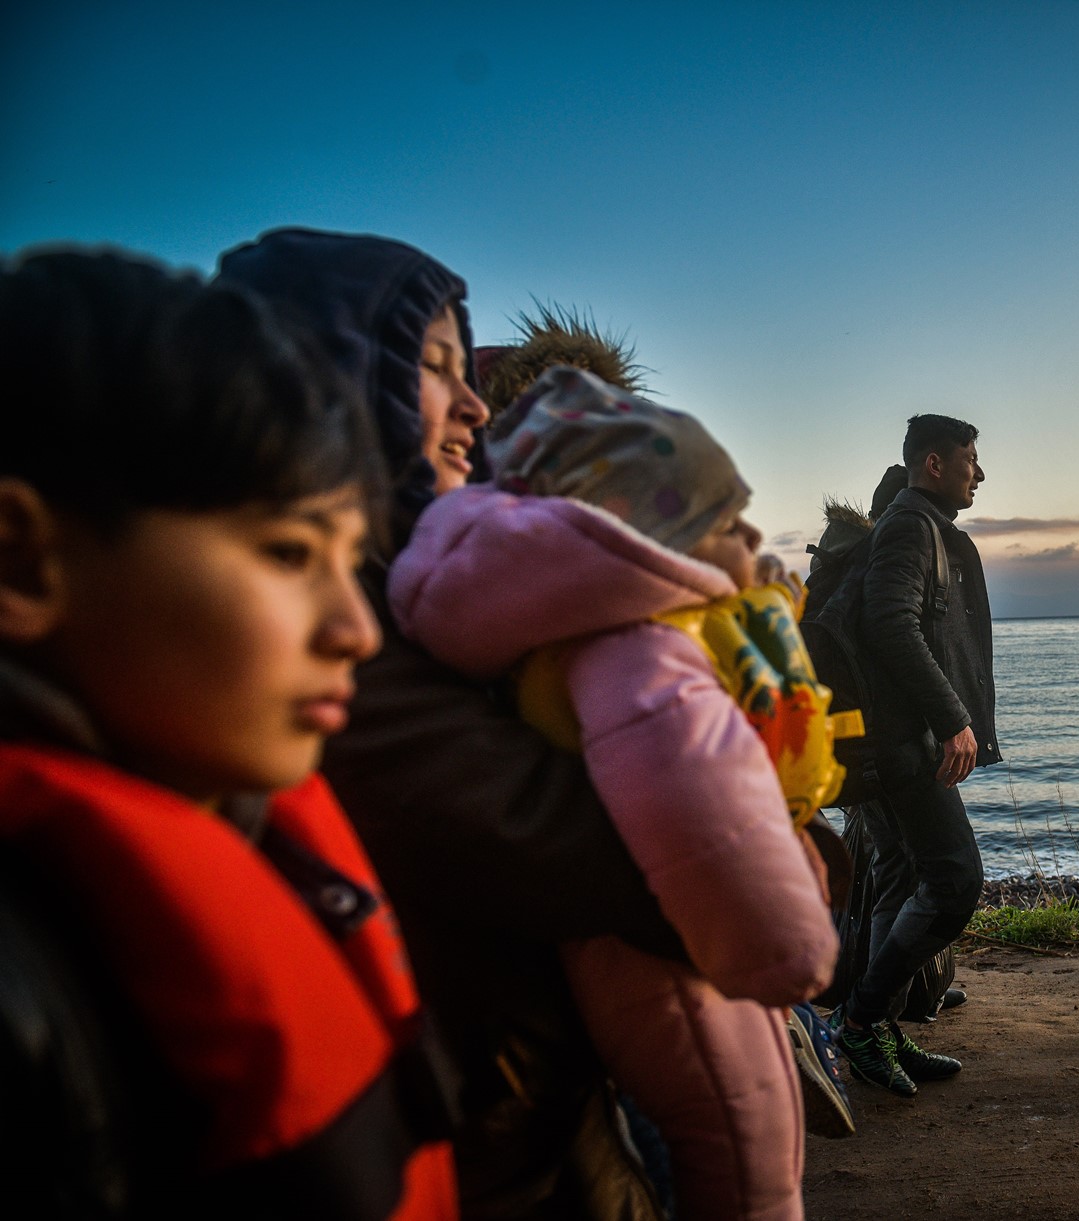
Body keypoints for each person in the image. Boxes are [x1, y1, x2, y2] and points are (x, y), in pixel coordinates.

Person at [217, 229, 679, 1218]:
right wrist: (777, 844)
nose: (470, 398)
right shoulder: (353, 640)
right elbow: (587, 849)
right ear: (339, 384)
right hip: (482, 1140)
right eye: (430, 368)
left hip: (532, 1115)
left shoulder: (429, 603)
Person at [0, 249, 458, 1217]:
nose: (357, 629)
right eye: (288, 552)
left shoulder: (235, 812)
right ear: (24, 562)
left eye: (348, 559)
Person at [389, 366, 837, 1220]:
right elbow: (694, 798)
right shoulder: (639, 649)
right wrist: (791, 949)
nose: (752, 535)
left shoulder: (594, 618)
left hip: (644, 936)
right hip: (661, 956)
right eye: (728, 520)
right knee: (744, 1141)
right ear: (658, 542)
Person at [832, 415, 997, 1096]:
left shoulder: (915, 524)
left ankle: (882, 1025)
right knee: (956, 880)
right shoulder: (910, 526)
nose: (977, 472)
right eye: (970, 458)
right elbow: (888, 620)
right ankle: (860, 1022)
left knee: (898, 879)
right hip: (901, 746)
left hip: (888, 740)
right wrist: (951, 718)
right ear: (935, 463)